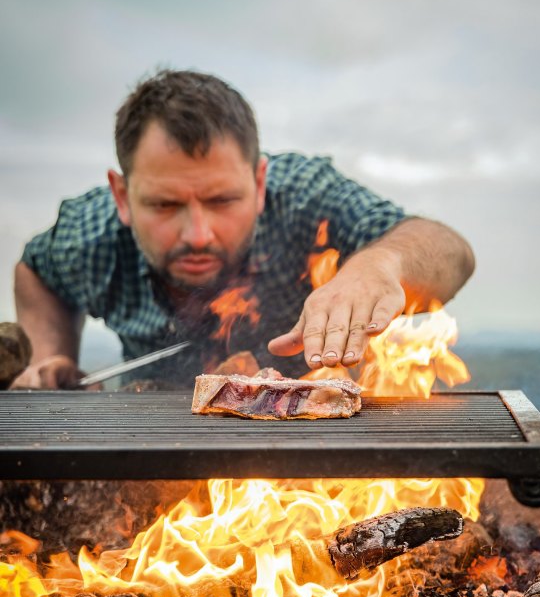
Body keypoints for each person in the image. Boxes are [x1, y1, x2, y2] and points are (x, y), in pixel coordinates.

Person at [13, 69, 475, 389]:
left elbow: (451, 251)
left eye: (221, 200)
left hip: (311, 464)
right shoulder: (91, 236)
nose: (197, 233)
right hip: (156, 452)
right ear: (121, 196)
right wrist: (50, 358)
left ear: (258, 181)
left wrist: (379, 265)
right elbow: (35, 270)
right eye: (164, 204)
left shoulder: (304, 198)